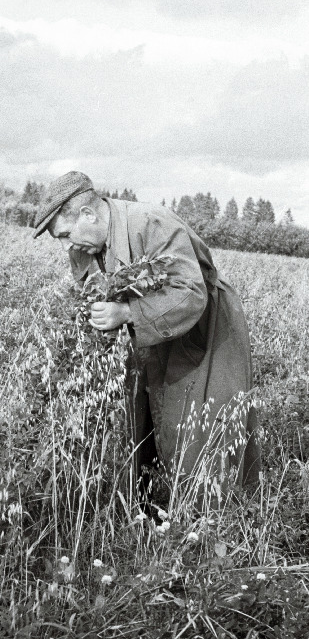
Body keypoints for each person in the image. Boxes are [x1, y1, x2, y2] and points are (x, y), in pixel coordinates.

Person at [33, 171, 261, 502]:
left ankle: (219, 518)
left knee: (205, 427)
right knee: (143, 419)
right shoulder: (83, 247)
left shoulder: (152, 222)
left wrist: (126, 314)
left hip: (205, 325)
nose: (67, 245)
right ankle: (152, 511)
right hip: (147, 332)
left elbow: (190, 292)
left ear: (88, 214)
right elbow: (89, 293)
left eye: (66, 234)